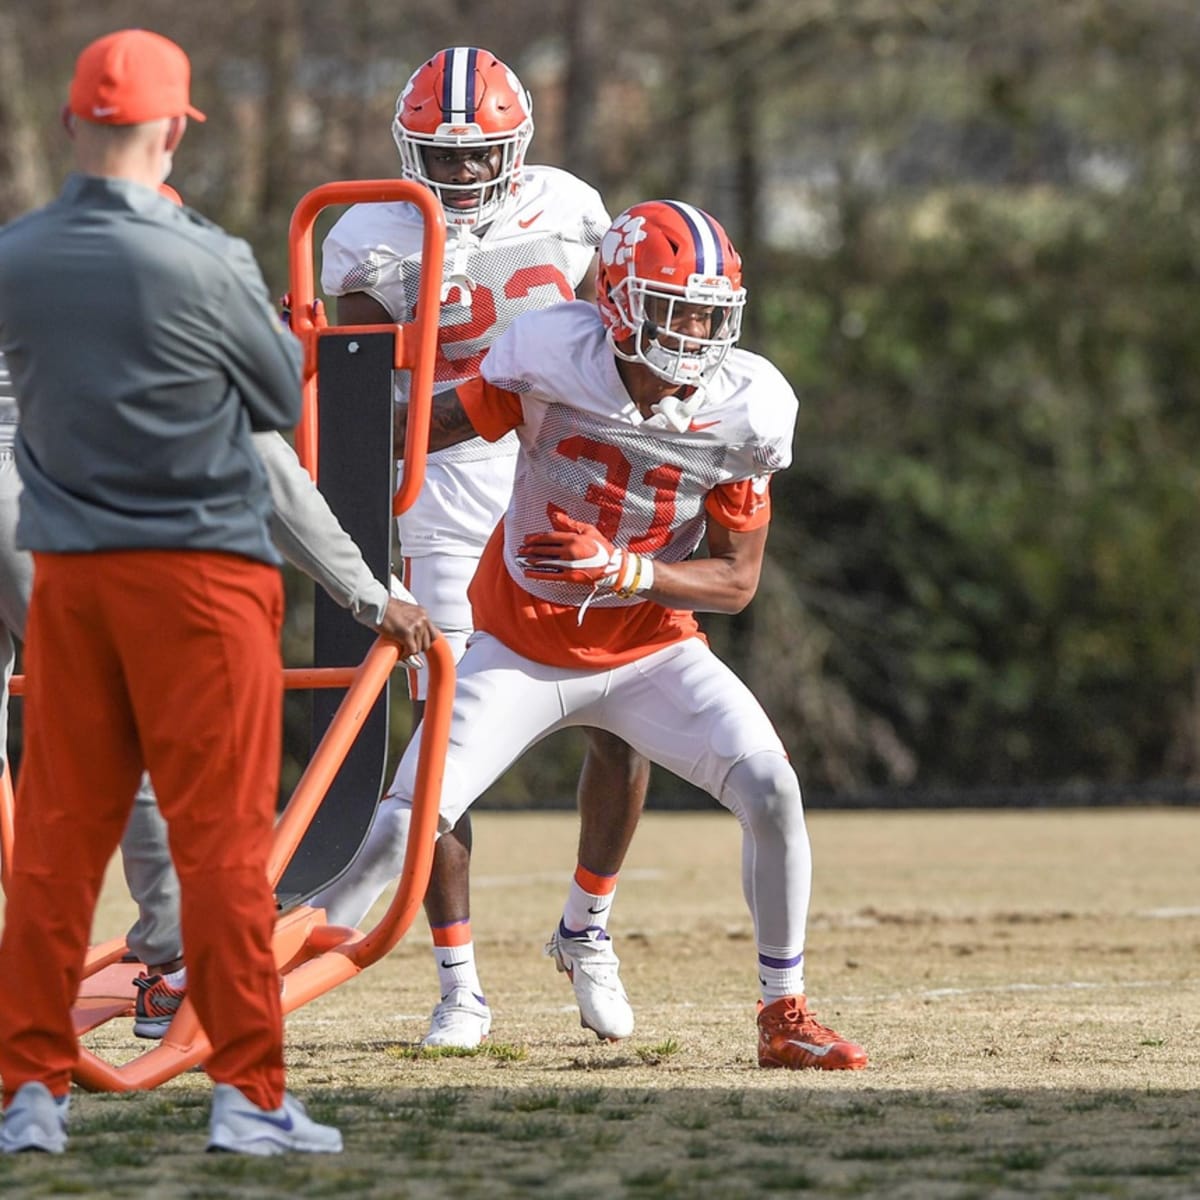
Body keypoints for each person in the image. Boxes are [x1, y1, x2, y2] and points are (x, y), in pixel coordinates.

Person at [320, 199, 869, 1071]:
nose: (695, 330)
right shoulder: (549, 356)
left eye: (709, 311)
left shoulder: (748, 406)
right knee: (400, 826)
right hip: (521, 649)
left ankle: (783, 1013)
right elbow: (422, 430)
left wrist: (626, 571)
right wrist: (321, 388)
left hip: (653, 649)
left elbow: (736, 580)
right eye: (674, 306)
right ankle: (262, 978)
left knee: (771, 787)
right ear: (616, 301)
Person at [0, 29, 364, 1155]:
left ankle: (28, 1100)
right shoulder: (208, 257)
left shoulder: (17, 255)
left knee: (57, 845)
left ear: (72, 125)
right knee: (219, 842)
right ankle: (251, 1099)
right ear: (171, 129)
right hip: (199, 575)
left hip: (68, 577)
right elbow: (272, 404)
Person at [312, 46, 650, 1049]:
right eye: (440, 157)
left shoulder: (571, 207)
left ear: (519, 148)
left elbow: (613, 344)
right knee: (444, 739)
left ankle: (588, 927)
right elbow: (365, 400)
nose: (460, 176)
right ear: (406, 150)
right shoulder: (369, 235)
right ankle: (459, 982)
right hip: (449, 502)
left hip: (565, 482)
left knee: (622, 716)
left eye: (479, 156)